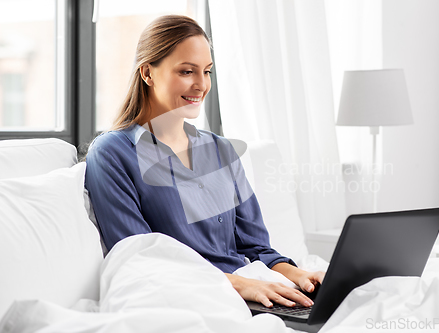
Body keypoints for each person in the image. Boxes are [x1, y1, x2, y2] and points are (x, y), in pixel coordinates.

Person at [85, 14, 324, 309]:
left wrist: (300, 275)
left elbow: (257, 247)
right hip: (190, 295)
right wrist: (238, 285)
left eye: (207, 71)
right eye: (187, 71)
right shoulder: (113, 152)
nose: (201, 84)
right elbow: (139, 255)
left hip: (250, 288)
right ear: (147, 73)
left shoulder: (221, 150)